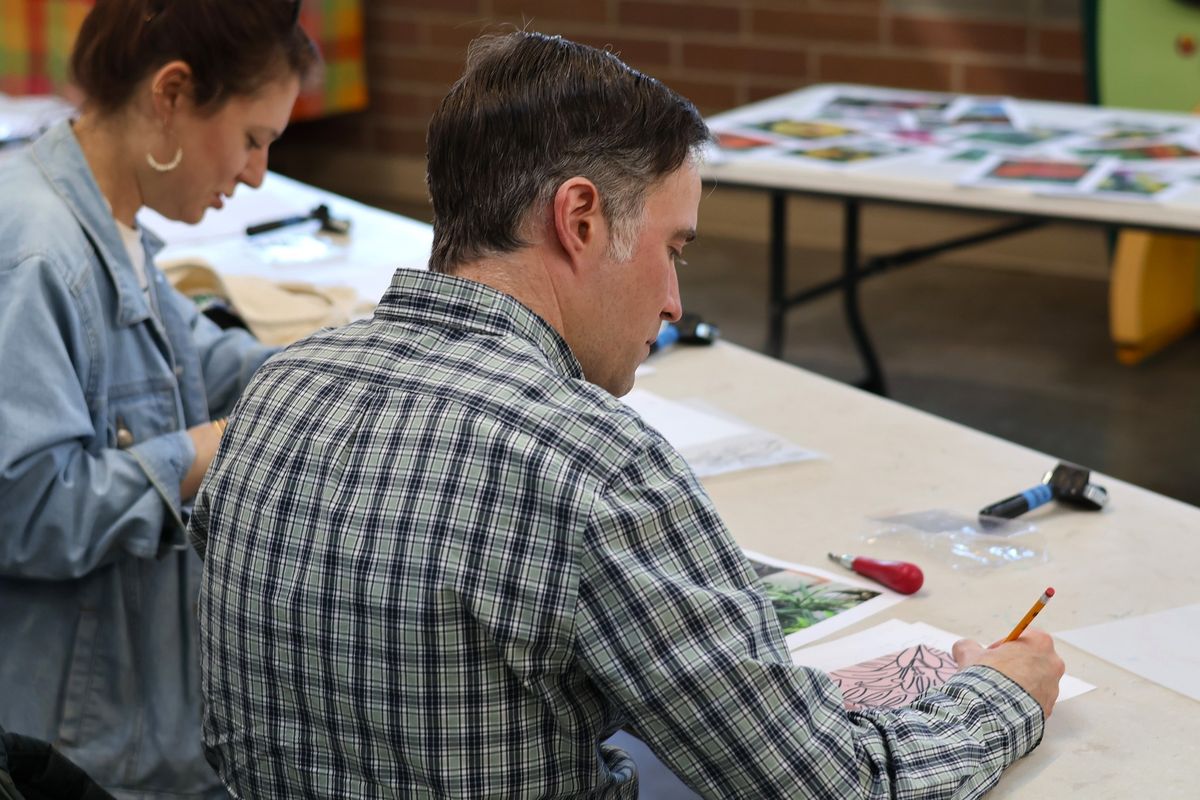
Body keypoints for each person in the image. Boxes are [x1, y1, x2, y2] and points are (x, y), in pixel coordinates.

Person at [189, 31, 1065, 798]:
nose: (676, 302)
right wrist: (1003, 694)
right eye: (672, 249)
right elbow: (832, 785)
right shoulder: (591, 463)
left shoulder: (277, 392)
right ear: (579, 217)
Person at [0, 1, 317, 797]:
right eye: (252, 139)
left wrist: (338, 372)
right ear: (172, 93)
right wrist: (214, 447)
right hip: (76, 759)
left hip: (141, 726)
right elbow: (28, 508)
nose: (255, 174)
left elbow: (199, 359)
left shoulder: (108, 218)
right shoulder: (37, 252)